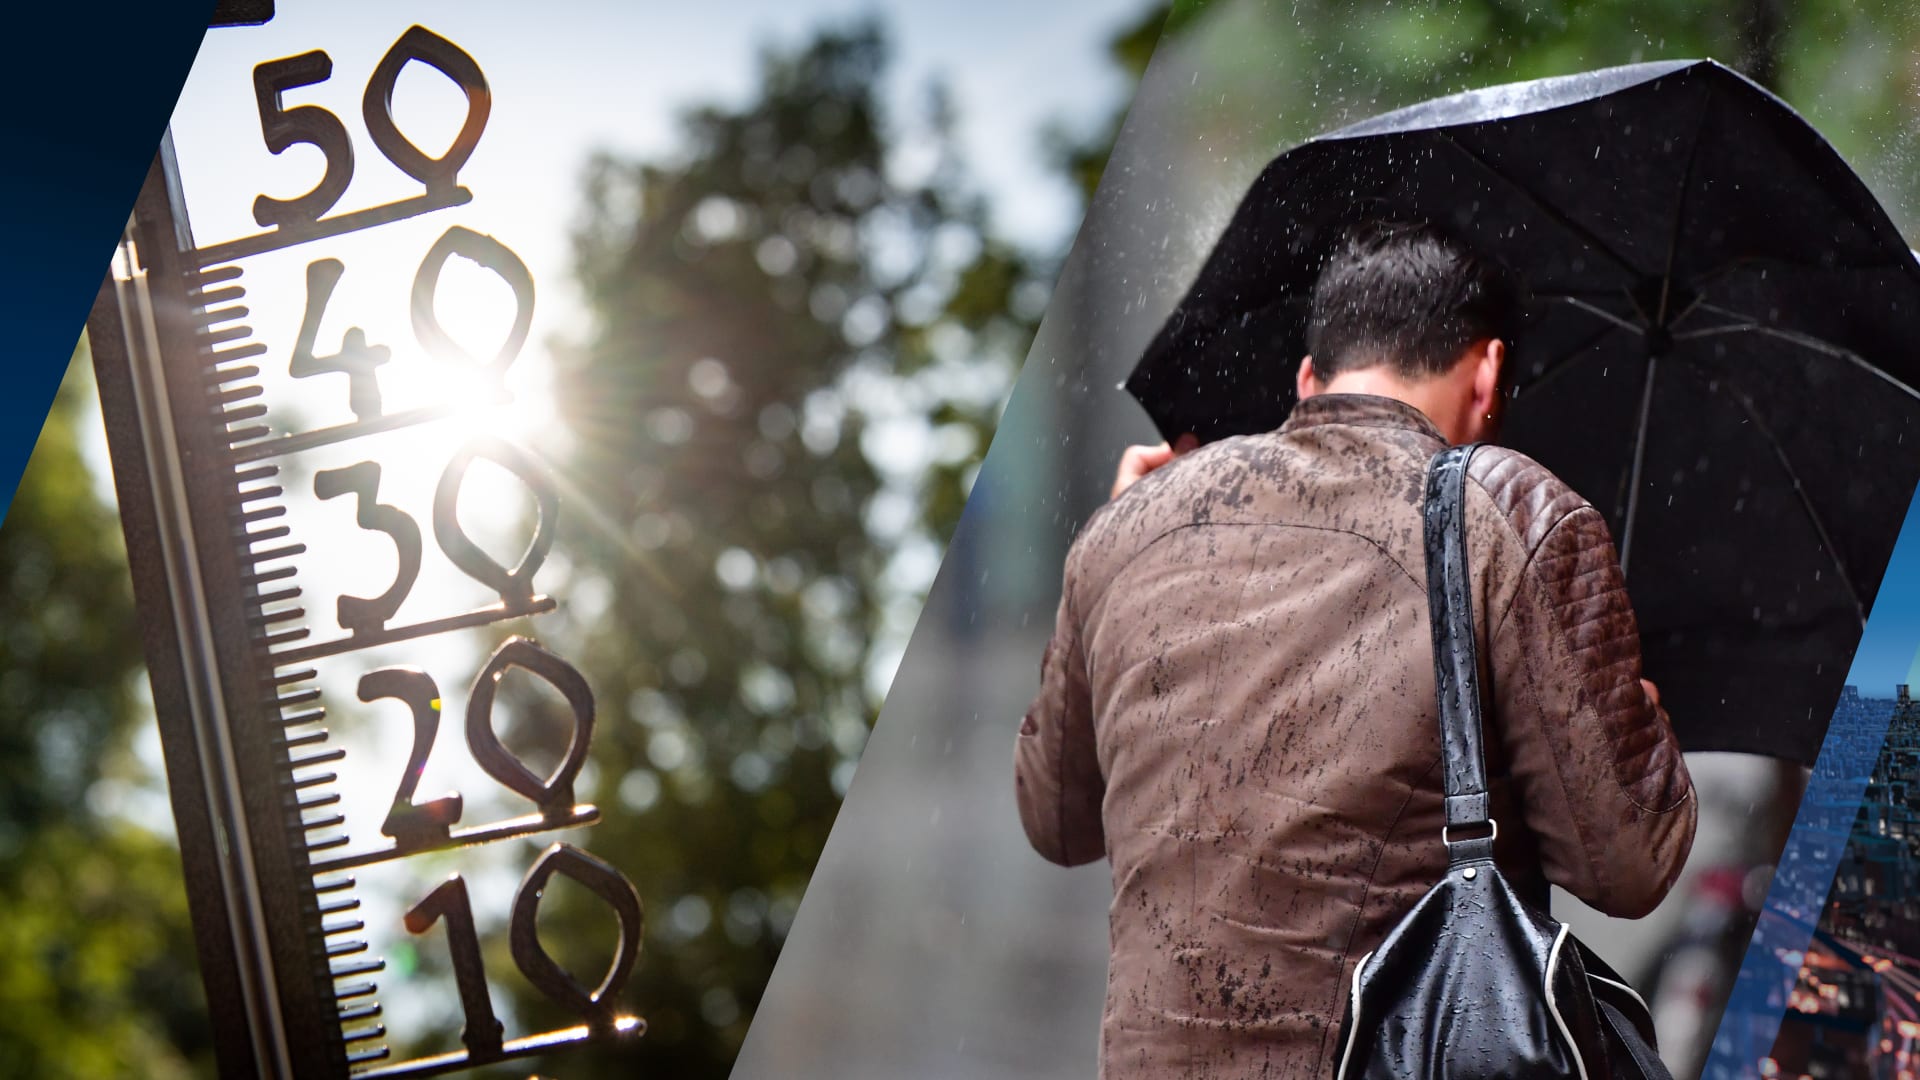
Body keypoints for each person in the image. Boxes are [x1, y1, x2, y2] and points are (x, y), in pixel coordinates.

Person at [1014, 220, 1696, 1077]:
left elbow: (1057, 821)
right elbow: (1628, 867)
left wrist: (1112, 539)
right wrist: (1638, 718)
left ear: (1309, 378)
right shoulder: (1510, 512)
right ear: (1488, 371)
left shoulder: (1126, 530)